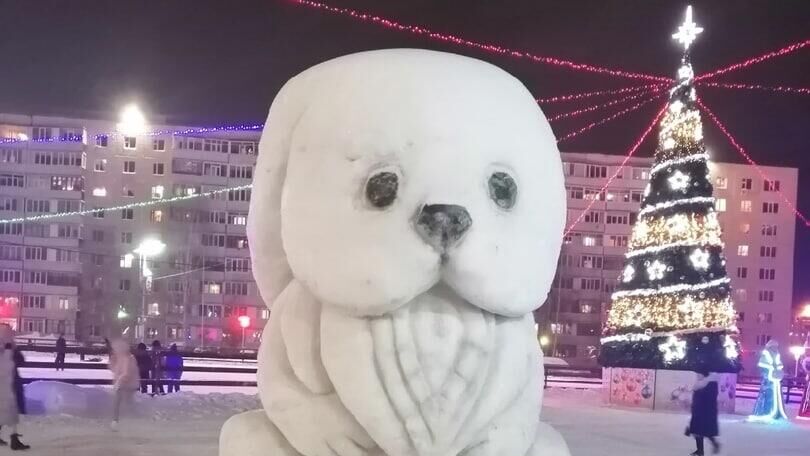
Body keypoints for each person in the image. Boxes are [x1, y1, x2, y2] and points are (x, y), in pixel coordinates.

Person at [0, 325, 29, 450]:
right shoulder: (9, 348)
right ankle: (14, 439)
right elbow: (19, 361)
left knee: (6, 408)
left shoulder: (9, 348)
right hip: (9, 383)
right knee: (10, 409)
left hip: (8, 382)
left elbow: (20, 360)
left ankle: (14, 438)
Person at [749, 339, 788, 422]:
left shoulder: (777, 355)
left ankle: (775, 412)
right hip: (768, 380)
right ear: (770, 347)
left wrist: (778, 370)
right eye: (774, 346)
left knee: (776, 396)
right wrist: (771, 370)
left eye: (776, 347)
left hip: (776, 379)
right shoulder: (766, 354)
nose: (775, 348)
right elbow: (762, 366)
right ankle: (764, 413)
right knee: (767, 395)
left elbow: (779, 365)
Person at [686, 368, 720, 455]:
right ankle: (701, 450)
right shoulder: (704, 384)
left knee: (700, 431)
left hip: (702, 412)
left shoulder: (705, 385)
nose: (697, 376)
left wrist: (696, 411)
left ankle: (706, 448)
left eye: (699, 374)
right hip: (701, 411)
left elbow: (702, 401)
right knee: (700, 431)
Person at [109, 339, 139, 430]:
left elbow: (126, 373)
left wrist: (118, 382)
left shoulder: (128, 358)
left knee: (121, 402)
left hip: (127, 384)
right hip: (124, 384)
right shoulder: (121, 358)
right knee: (121, 403)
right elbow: (115, 370)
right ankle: (117, 421)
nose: (114, 350)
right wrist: (112, 361)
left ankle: (118, 421)